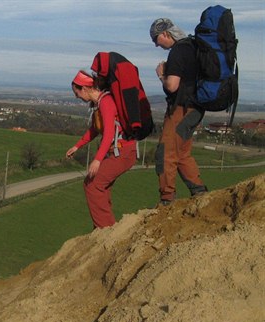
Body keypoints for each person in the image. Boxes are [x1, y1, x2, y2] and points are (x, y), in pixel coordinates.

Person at [66, 70, 138, 228]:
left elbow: (109, 134)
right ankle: (105, 226)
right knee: (101, 187)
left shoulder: (106, 103)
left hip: (123, 152)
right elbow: (95, 130)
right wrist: (77, 146)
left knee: (92, 185)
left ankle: (105, 229)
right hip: (120, 151)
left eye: (77, 92)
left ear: (85, 88)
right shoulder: (100, 103)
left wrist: (97, 160)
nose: (76, 96)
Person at [150, 18, 207, 205]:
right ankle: (200, 192)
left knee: (165, 152)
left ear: (166, 33)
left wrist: (161, 75)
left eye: (156, 39)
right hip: (196, 109)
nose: (156, 44)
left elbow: (172, 86)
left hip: (182, 109)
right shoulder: (192, 46)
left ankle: (167, 199)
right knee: (182, 152)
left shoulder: (178, 51)